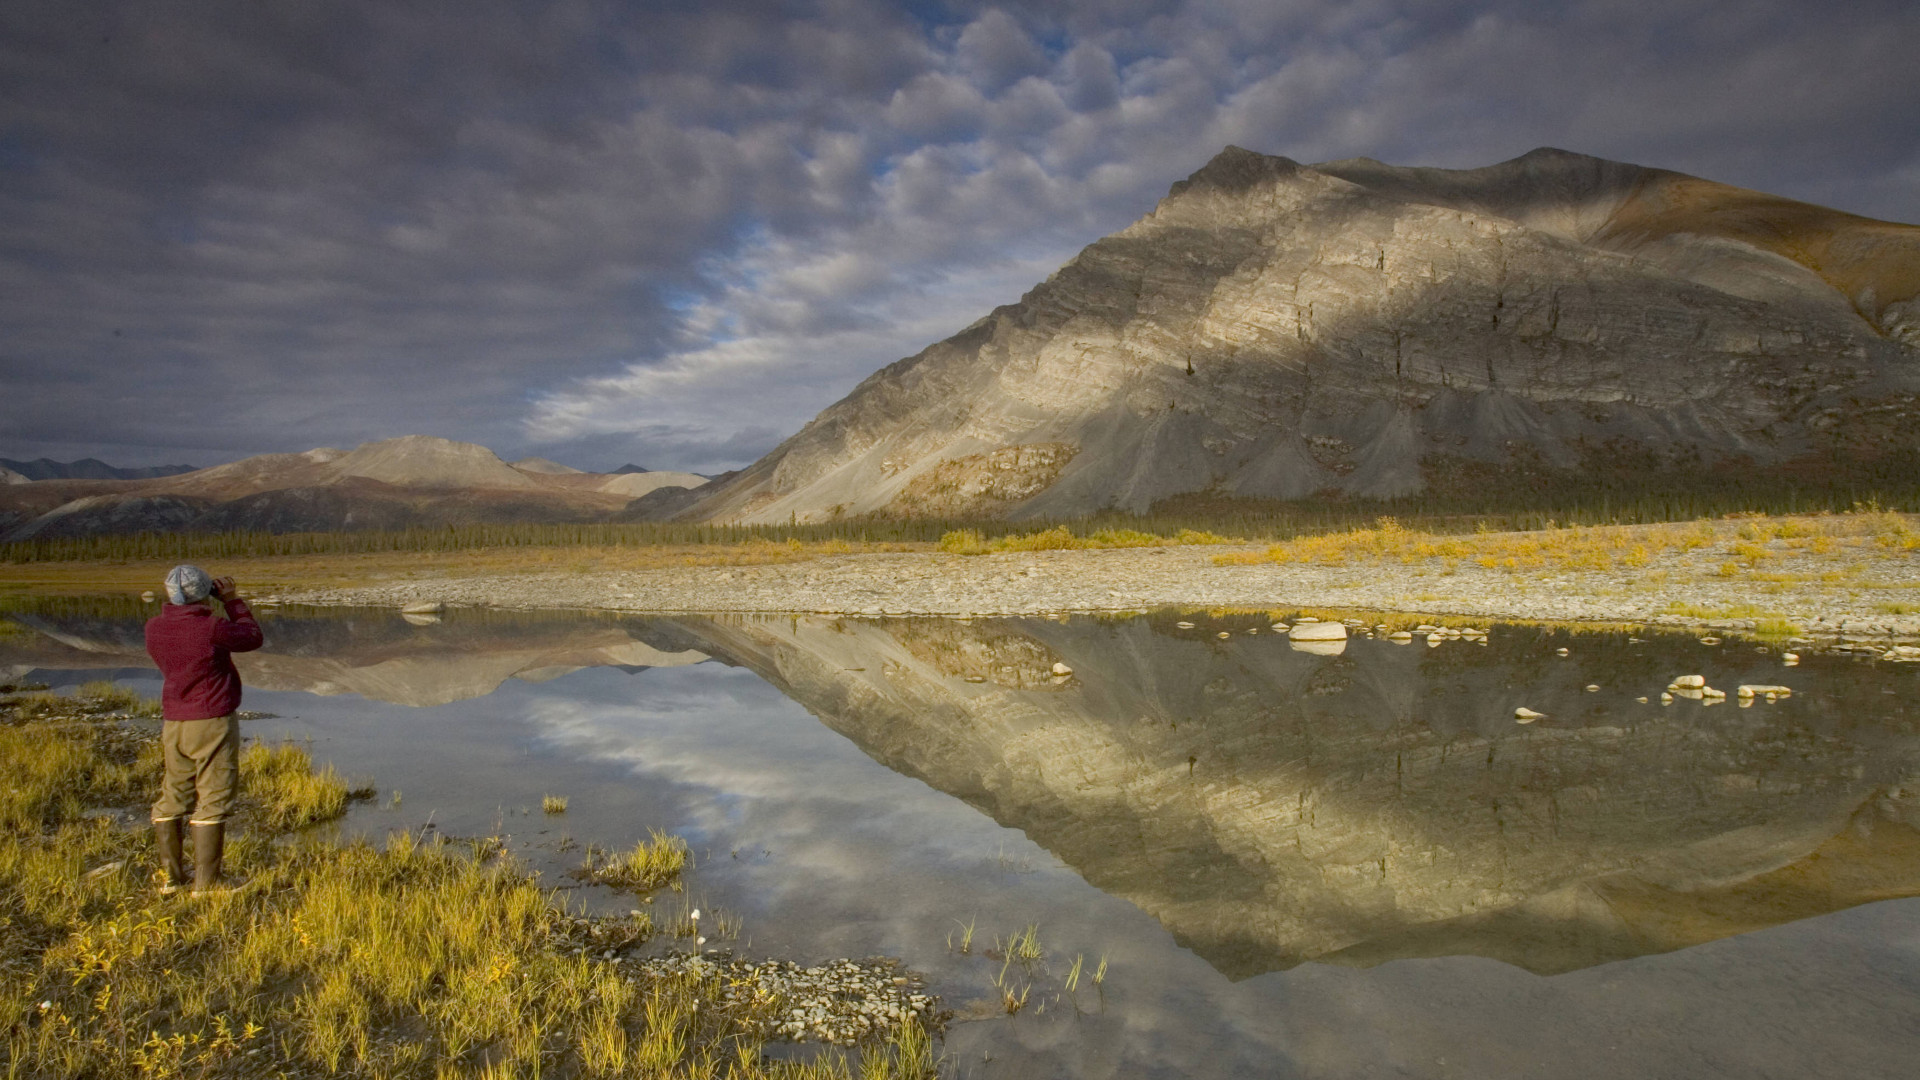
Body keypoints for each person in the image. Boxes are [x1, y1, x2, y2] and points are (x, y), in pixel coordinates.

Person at [145, 564, 263, 895]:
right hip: (211, 718)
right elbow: (252, 637)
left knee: (174, 794)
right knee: (213, 795)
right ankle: (207, 884)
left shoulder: (153, 627)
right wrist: (231, 600)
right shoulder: (211, 627)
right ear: (203, 592)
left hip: (175, 720)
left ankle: (171, 879)